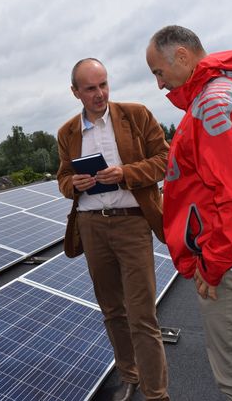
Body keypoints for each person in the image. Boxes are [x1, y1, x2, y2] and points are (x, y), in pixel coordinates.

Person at [146, 25, 232, 400]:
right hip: (228, 256)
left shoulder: (211, 105)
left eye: (158, 71)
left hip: (228, 261)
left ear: (182, 57)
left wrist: (213, 263)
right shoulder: (208, 99)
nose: (159, 84)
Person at [57, 58, 170, 401]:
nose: (100, 93)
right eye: (90, 88)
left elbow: (165, 160)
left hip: (132, 222)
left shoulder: (136, 115)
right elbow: (62, 179)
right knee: (112, 311)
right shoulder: (68, 133)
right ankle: (130, 376)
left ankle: (156, 394)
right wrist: (74, 183)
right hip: (92, 227)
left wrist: (125, 174)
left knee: (142, 314)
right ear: (75, 92)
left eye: (103, 84)